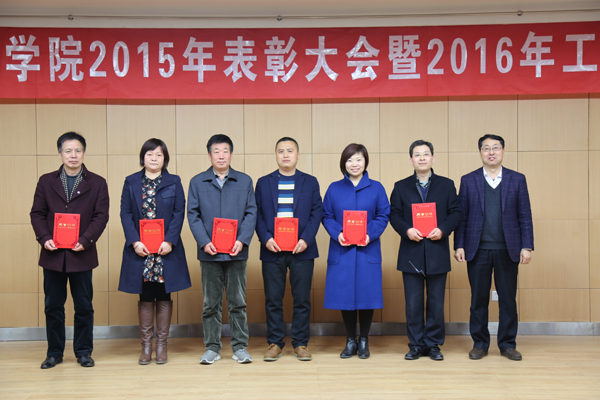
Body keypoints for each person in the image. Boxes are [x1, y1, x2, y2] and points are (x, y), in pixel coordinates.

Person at [30, 131, 109, 369]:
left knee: (83, 306)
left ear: (84, 153)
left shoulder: (97, 182)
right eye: (68, 150)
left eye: (78, 150)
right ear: (60, 153)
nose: (73, 155)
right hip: (53, 254)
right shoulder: (46, 181)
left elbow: (101, 216)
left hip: (82, 253)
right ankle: (54, 353)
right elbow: (37, 213)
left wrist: (86, 239)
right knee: (53, 306)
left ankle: (83, 352)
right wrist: (44, 238)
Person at [454, 134, 534, 361]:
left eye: (495, 148)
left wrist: (527, 246)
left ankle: (507, 344)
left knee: (508, 299)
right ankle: (480, 344)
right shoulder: (468, 180)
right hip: (477, 249)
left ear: (503, 151)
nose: (491, 152)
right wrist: (459, 245)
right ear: (480, 152)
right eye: (486, 148)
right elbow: (462, 217)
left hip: (508, 249)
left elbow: (525, 215)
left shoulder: (517, 179)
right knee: (478, 299)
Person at [118, 138, 191, 365]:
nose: (154, 158)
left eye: (159, 155)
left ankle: (161, 345)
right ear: (143, 157)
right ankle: (146, 345)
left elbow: (179, 212)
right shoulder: (131, 182)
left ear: (164, 158)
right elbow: (125, 214)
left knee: (164, 294)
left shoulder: (174, 181)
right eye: (150, 154)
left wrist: (170, 241)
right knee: (145, 295)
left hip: (165, 250)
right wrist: (134, 242)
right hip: (141, 250)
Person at [187, 134, 257, 364]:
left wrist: (242, 240)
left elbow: (251, 212)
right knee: (211, 303)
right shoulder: (197, 182)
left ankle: (240, 347)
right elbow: (193, 215)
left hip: (237, 251)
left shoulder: (244, 181)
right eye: (216, 151)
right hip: (210, 252)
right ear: (209, 155)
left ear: (231, 154)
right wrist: (204, 241)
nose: (221, 155)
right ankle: (212, 347)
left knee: (238, 302)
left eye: (225, 151)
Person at [389, 140, 461, 361]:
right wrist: (406, 230)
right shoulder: (400, 186)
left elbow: (456, 213)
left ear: (433, 158)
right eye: (417, 155)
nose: (422, 158)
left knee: (436, 303)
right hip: (411, 252)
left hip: (437, 250)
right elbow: (393, 215)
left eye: (426, 154)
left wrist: (443, 230)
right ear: (411, 160)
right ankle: (416, 345)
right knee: (413, 303)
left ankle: (433, 344)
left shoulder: (447, 185)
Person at [255, 137, 323, 362]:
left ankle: (301, 343)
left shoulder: (310, 182)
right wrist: (266, 239)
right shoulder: (263, 183)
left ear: (298, 155)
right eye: (281, 151)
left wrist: (306, 239)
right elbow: (257, 213)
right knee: (273, 299)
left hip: (302, 249)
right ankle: (275, 343)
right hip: (272, 249)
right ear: (275, 155)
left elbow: (317, 212)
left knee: (301, 299)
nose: (285, 155)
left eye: (290, 151)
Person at [322, 143, 390, 359]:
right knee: (346, 296)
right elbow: (326, 216)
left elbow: (383, 215)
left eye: (359, 159)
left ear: (365, 162)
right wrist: (338, 233)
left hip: (367, 250)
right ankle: (350, 340)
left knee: (366, 296)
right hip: (342, 250)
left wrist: (369, 234)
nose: (354, 164)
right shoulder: (334, 188)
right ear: (344, 163)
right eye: (350, 160)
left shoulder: (377, 188)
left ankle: (364, 340)